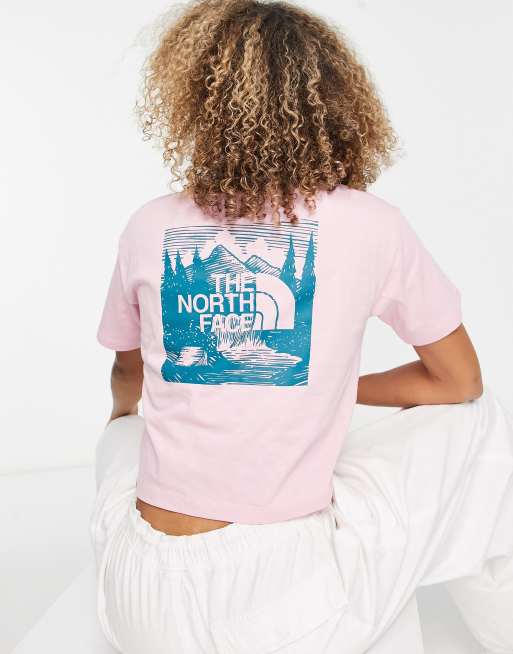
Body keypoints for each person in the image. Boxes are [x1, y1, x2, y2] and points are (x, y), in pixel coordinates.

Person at [90, 1, 513, 652]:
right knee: (484, 422)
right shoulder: (373, 225)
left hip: (138, 603)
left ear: (193, 102)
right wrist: (333, 386)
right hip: (280, 605)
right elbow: (460, 381)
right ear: (336, 104)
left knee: (122, 432)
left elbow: (127, 375)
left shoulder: (148, 224)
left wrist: (127, 416)